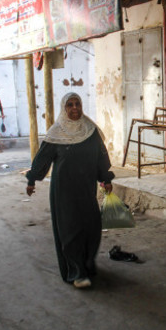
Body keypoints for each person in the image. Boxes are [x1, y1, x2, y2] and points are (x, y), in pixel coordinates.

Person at [25, 92, 114, 289]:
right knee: (70, 231)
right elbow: (42, 159)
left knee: (91, 228)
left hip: (86, 188)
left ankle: (87, 264)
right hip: (63, 191)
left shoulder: (90, 131)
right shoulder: (56, 133)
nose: (75, 108)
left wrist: (106, 178)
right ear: (64, 108)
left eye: (78, 104)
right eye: (70, 105)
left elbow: (101, 157)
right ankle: (77, 272)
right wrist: (32, 179)